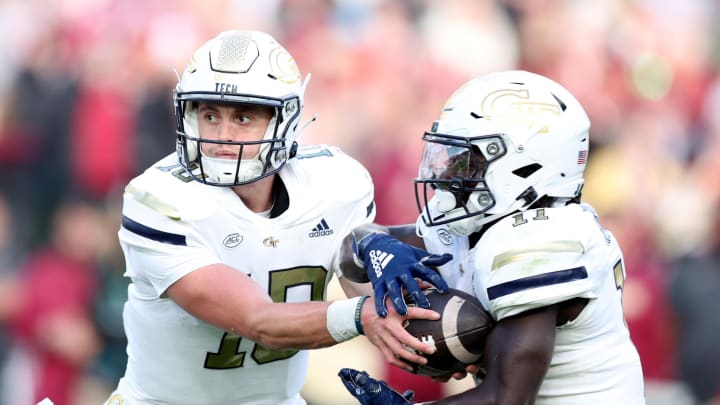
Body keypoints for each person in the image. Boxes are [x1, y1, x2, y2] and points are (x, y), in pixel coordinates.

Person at [103, 30, 445, 405]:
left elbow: (379, 303)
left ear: (285, 121)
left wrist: (446, 327)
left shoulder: (335, 183)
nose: (222, 135)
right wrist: (363, 315)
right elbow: (257, 321)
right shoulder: (159, 199)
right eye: (210, 115)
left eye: (244, 117)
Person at [335, 70, 646, 404]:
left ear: (526, 165)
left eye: (468, 160)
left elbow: (508, 398)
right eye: (450, 157)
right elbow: (351, 249)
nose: (448, 173)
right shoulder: (480, 226)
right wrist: (376, 247)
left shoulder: (542, 240)